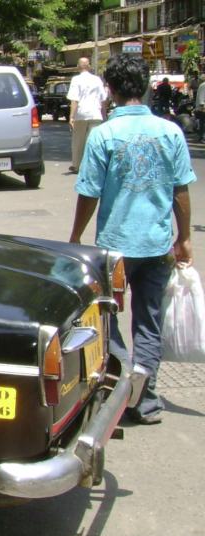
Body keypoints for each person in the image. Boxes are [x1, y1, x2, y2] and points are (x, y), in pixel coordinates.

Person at [68, 53, 195, 425]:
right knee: (149, 322)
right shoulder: (170, 131)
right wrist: (184, 237)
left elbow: (89, 192)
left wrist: (76, 236)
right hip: (157, 244)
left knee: (107, 321)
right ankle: (146, 398)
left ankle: (122, 388)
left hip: (114, 249)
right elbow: (181, 191)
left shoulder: (104, 134)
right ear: (144, 87)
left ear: (109, 90)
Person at [67, 57, 109, 174]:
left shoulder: (76, 79)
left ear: (78, 67)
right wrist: (104, 115)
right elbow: (103, 99)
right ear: (89, 66)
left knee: (78, 141)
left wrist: (71, 117)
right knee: (94, 141)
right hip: (95, 113)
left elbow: (74, 100)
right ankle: (94, 165)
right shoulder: (97, 80)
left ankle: (76, 165)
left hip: (81, 114)